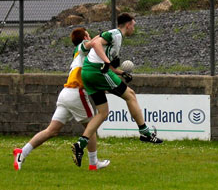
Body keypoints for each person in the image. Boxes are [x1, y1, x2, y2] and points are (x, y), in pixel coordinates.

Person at [71, 13, 162, 167]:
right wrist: (106, 62)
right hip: (97, 71)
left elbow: (109, 64)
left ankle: (80, 144)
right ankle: (145, 132)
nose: (134, 27)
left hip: (88, 73)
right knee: (130, 95)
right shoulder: (115, 34)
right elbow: (96, 43)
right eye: (133, 24)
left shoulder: (117, 39)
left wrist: (121, 73)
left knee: (103, 112)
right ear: (128, 25)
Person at [13, 27, 110, 171]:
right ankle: (93, 163)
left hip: (65, 93)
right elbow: (93, 43)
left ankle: (22, 152)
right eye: (88, 35)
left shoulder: (79, 53)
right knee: (91, 127)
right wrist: (106, 36)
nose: (90, 38)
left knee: (51, 130)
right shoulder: (82, 47)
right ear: (84, 38)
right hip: (76, 93)